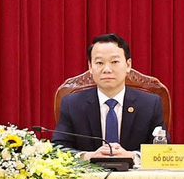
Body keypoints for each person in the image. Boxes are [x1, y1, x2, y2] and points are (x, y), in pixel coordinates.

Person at [52, 33, 167, 161]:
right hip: (89, 178)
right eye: (99, 63)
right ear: (90, 67)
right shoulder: (72, 104)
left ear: (128, 65)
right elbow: (58, 148)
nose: (107, 69)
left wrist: (132, 156)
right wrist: (87, 156)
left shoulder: (150, 104)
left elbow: (162, 151)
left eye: (114, 62)